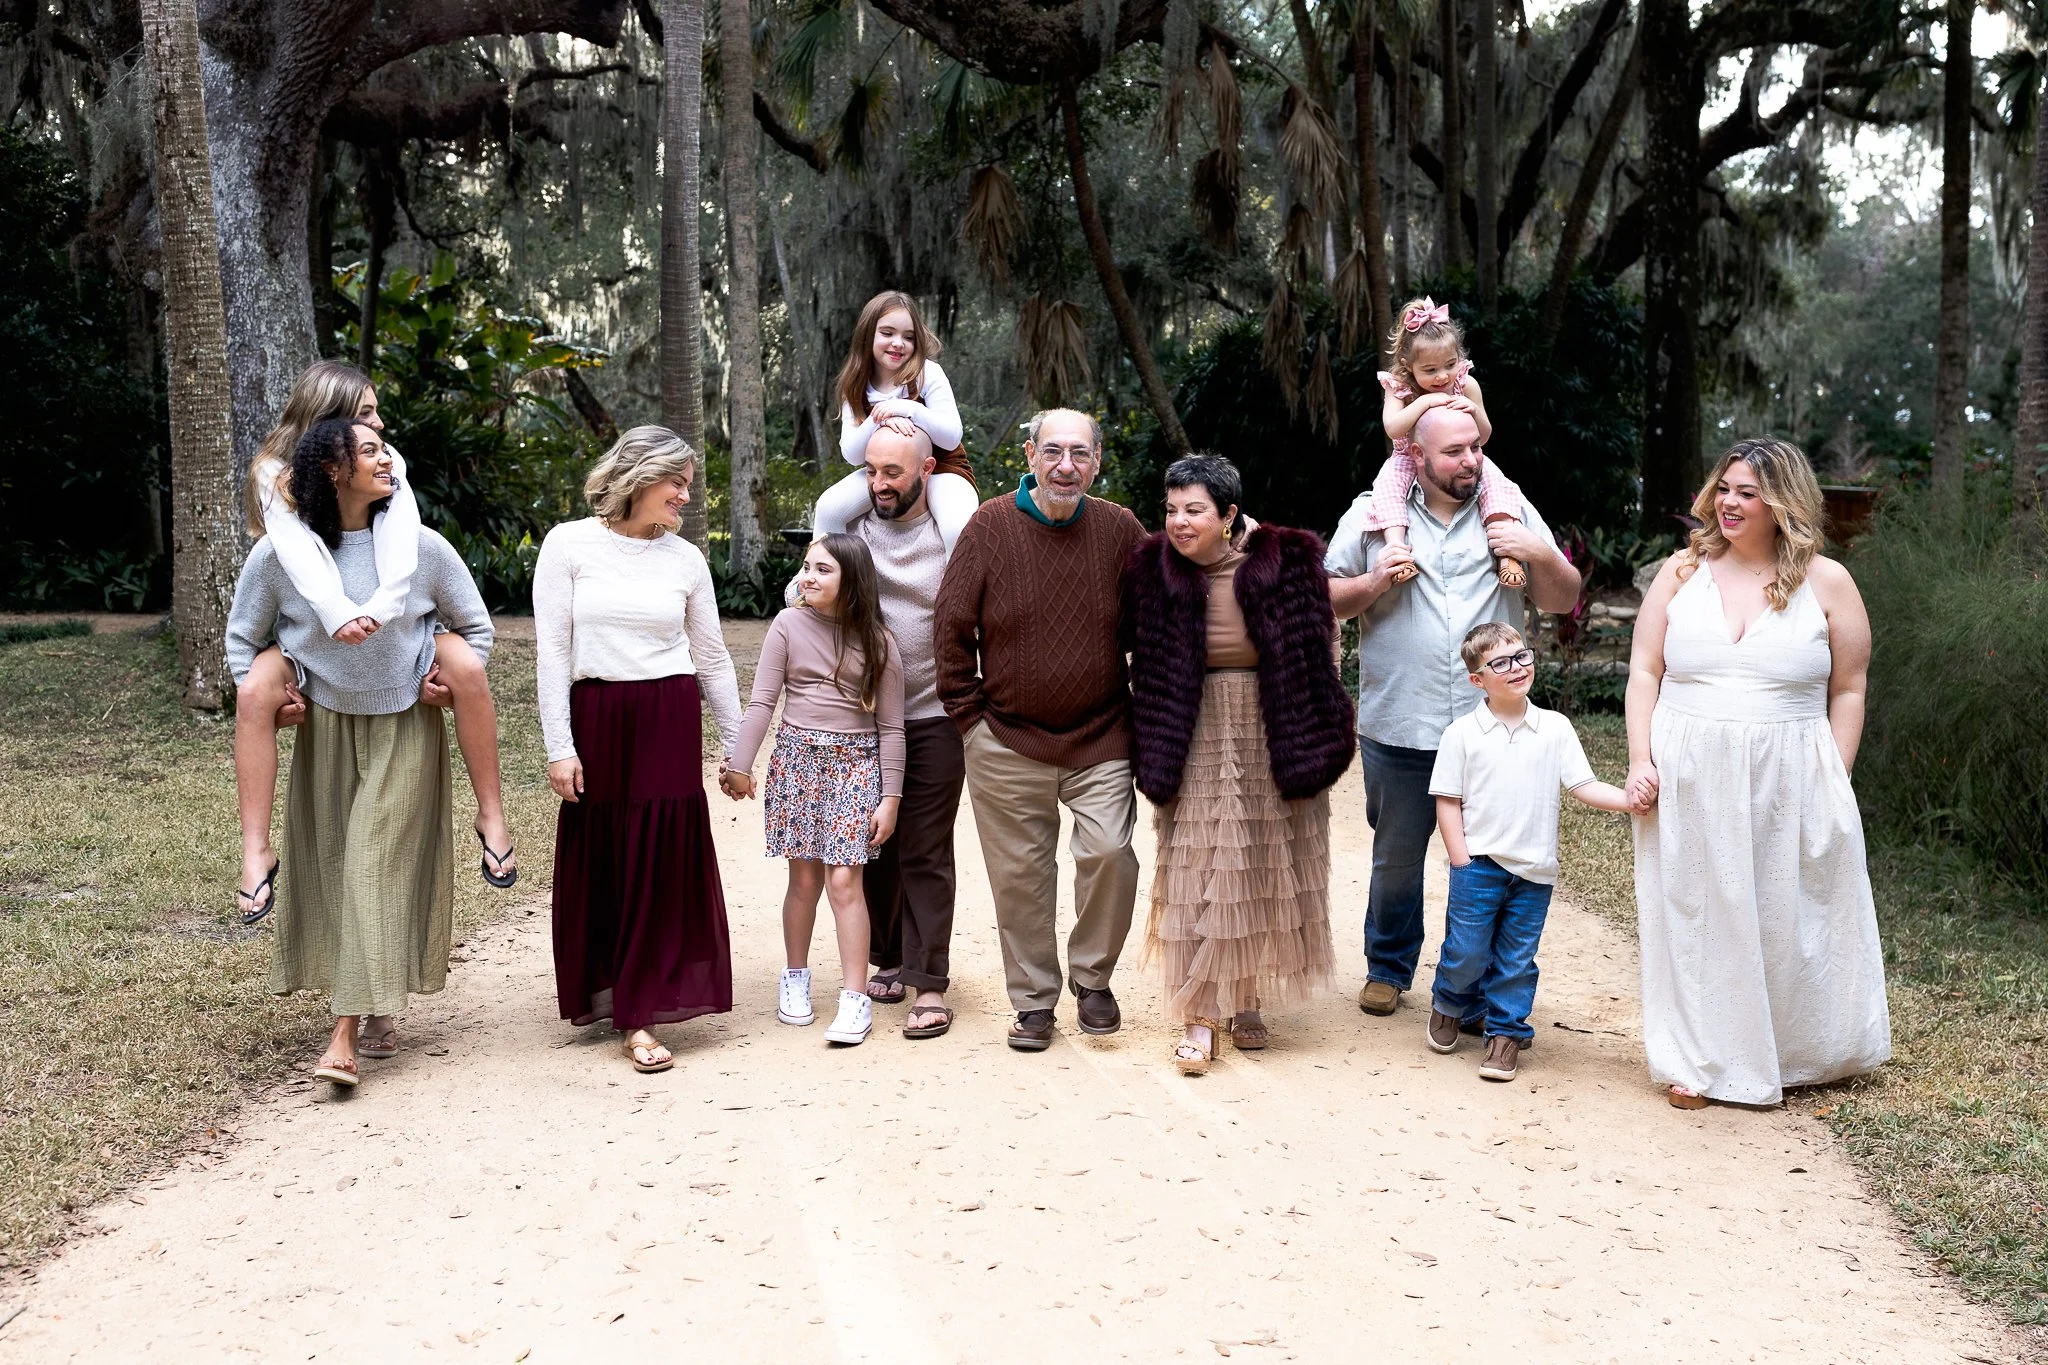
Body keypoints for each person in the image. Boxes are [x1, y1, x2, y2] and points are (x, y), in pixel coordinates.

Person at [225, 417, 494, 1087]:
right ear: (330, 470)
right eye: (370, 450)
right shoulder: (279, 558)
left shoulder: (423, 548)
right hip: (326, 728)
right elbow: (240, 643)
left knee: (372, 860)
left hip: (405, 725)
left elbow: (478, 628)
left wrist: (441, 680)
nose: (387, 459)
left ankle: (341, 1031)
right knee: (344, 864)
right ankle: (376, 1008)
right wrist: (275, 700)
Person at [1624, 438, 1890, 1109]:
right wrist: (1640, 759)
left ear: (1783, 502)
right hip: (1689, 765)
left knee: (1782, 908)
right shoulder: (1680, 573)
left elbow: (1850, 687)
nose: (1731, 502)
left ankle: (1797, 1049)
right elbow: (1644, 671)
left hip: (1790, 766)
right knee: (1696, 907)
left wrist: (1835, 773)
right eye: (1725, 487)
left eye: (1749, 491)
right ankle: (1699, 1056)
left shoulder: (1826, 581)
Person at [233, 361, 515, 931]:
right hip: (318, 674)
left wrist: (435, 670)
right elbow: (247, 631)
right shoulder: (276, 498)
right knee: (255, 680)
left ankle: (493, 816)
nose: (382, 426)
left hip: (401, 670)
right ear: (329, 438)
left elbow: (469, 620)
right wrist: (270, 696)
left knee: (461, 656)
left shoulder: (401, 494)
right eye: (365, 416)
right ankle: (255, 850)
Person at [1326, 405, 1581, 1019]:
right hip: (1401, 721)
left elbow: (1564, 595)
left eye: (1475, 447)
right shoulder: (1371, 515)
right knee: (1396, 857)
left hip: (1494, 730)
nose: (1470, 460)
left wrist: (1535, 553)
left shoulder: (1509, 506)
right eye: (1454, 452)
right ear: (1416, 454)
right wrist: (1374, 583)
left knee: (1492, 859)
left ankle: (1477, 985)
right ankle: (1388, 967)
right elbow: (1327, 596)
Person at [1121, 456, 1354, 1074]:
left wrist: (1316, 731)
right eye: (1170, 509)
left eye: (1193, 510)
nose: (1177, 521)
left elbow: (1318, 646)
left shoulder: (1286, 558)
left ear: (1228, 516)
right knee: (1199, 861)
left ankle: (1246, 998)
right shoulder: (1152, 567)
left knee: (1255, 858)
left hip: (1273, 724)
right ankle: (1199, 1016)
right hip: (1190, 726)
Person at [533, 427, 744, 1075]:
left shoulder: (685, 559)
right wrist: (559, 745)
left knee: (657, 858)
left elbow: (711, 656)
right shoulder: (567, 544)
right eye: (675, 480)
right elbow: (553, 651)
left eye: (688, 482)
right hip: (599, 716)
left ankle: (641, 1010)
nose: (686, 493)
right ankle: (617, 990)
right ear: (637, 475)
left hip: (667, 716)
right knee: (609, 856)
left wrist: (738, 746)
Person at [935, 408, 1147, 1052]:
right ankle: (1032, 1002)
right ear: (1029, 455)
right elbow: (949, 626)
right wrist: (970, 720)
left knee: (1111, 853)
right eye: (1052, 451)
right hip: (1004, 737)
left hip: (1102, 734)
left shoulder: (1120, 530)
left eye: (1080, 453)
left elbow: (1162, 616)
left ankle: (1093, 980)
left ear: (1097, 461)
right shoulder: (990, 527)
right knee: (1021, 878)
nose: (1065, 466)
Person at [1427, 622, 1631, 1082]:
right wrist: (1460, 859)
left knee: (1517, 959)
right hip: (1478, 865)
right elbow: (1447, 800)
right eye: (1500, 663)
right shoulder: (1461, 734)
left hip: (1535, 872)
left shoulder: (1554, 728)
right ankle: (1450, 1002)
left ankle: (1504, 1035)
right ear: (1477, 679)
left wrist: (1630, 801)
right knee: (1467, 952)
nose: (1517, 668)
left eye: (1522, 656)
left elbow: (1584, 785)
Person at [724, 534, 904, 1047]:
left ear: (852, 580)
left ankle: (854, 998)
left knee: (845, 882)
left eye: (822, 570)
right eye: (807, 567)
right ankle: (796, 977)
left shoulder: (880, 642)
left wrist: (889, 798)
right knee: (803, 881)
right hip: (797, 763)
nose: (808, 577)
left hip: (855, 767)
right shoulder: (787, 625)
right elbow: (762, 704)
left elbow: (892, 729)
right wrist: (740, 765)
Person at [835, 425, 968, 1039]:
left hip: (937, 711)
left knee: (925, 844)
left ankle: (929, 979)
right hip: (866, 718)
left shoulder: (949, 531)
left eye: (893, 472)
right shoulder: (853, 531)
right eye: (871, 471)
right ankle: (888, 955)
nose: (880, 484)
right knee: (875, 842)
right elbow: (812, 587)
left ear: (927, 469)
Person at [1369, 297, 1525, 588]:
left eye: (1450, 365)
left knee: (1497, 483)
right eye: (1429, 370)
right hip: (1407, 458)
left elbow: (1486, 435)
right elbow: (1393, 428)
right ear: (1409, 365)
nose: (1442, 376)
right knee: (1386, 488)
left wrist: (1474, 411)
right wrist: (1427, 401)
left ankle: (1508, 551)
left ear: (1459, 357)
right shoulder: (1399, 388)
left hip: (1462, 456)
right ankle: (1398, 552)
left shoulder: (1466, 384)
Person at [810, 291, 979, 554]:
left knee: (958, 526)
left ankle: (960, 593)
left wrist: (907, 408)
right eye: (887, 333)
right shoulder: (855, 384)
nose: (898, 343)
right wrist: (882, 417)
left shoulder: (926, 372)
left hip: (942, 470)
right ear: (868, 335)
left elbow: (951, 436)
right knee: (829, 508)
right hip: (882, 473)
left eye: (909, 337)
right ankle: (825, 584)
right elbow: (853, 454)